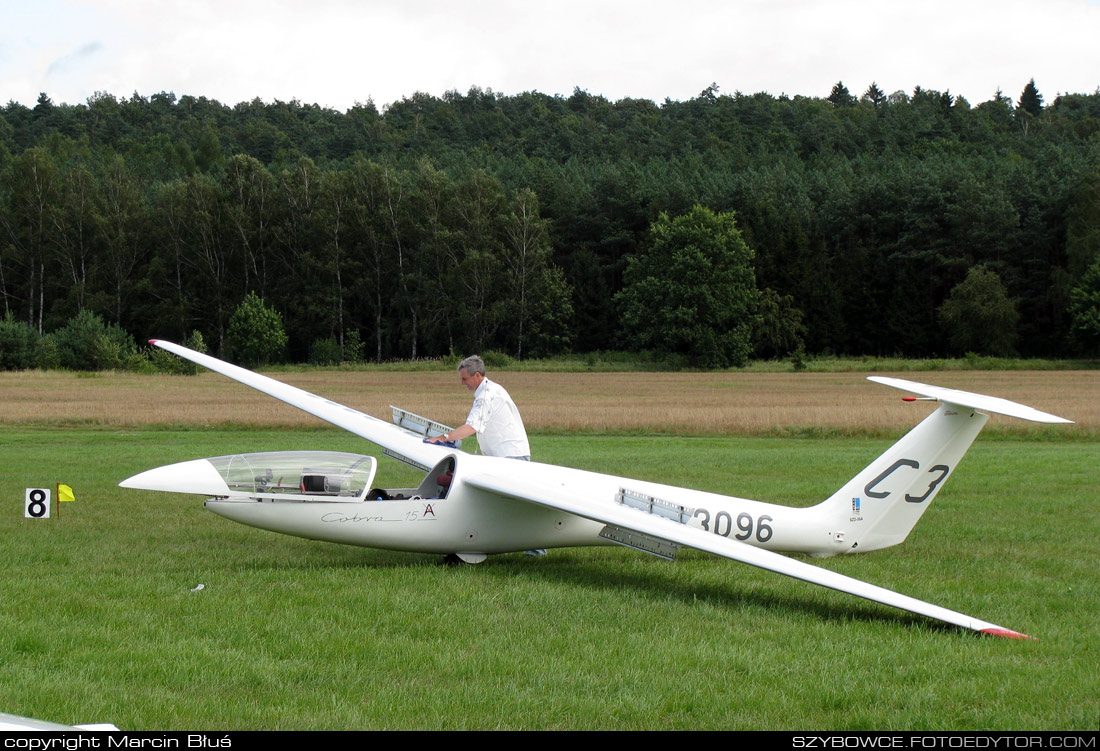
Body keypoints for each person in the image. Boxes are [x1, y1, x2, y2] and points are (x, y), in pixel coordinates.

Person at [428, 355, 531, 460]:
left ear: (477, 375)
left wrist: (443, 438)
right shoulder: (492, 388)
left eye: (464, 379)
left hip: (510, 456)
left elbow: (471, 427)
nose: (462, 383)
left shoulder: (486, 396)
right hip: (510, 454)